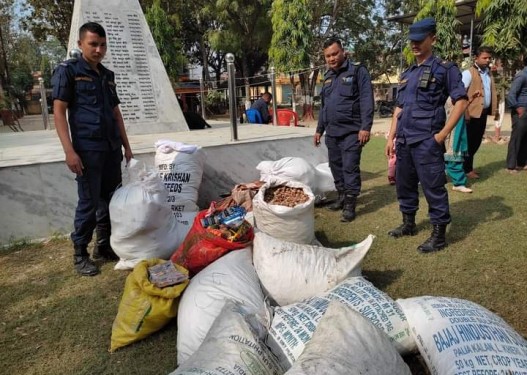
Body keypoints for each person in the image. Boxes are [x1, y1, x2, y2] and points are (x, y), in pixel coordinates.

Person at [52, 22, 133, 276]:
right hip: (87, 151)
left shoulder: (107, 76)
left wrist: (127, 148)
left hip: (111, 149)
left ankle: (103, 246)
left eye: (102, 45)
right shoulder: (69, 71)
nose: (98, 49)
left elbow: (116, 114)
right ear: (80, 44)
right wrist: (69, 151)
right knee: (88, 203)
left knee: (110, 201)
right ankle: (80, 254)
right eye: (93, 44)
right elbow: (59, 111)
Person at [385, 17, 468, 253]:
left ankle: (439, 235)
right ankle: (408, 224)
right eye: (412, 40)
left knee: (433, 187)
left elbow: (461, 102)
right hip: (404, 140)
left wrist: (441, 136)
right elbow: (399, 108)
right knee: (405, 185)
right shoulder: (408, 73)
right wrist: (391, 137)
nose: (415, 45)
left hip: (426, 140)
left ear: (433, 38)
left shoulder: (444, 68)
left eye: (420, 40)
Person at [314, 37, 374, 222]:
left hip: (351, 132)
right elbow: (325, 107)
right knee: (335, 166)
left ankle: (350, 204)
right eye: (328, 56)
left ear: (343, 52)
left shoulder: (358, 71)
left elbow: (366, 99)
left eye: (334, 54)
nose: (331, 58)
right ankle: (341, 196)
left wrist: (365, 127)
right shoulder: (327, 77)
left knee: (349, 168)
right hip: (332, 133)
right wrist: (319, 130)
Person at [462, 46, 497, 179]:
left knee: (476, 142)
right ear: (476, 58)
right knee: (469, 143)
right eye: (484, 58)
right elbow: (461, 94)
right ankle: (466, 169)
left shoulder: (488, 73)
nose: (487, 60)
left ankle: (468, 168)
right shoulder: (468, 73)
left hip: (482, 113)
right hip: (471, 114)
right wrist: (465, 113)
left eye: (489, 58)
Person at [505, 56, 527, 173]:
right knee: (517, 138)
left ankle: (522, 163)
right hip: (521, 110)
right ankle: (511, 166)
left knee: (525, 139)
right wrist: (518, 109)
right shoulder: (522, 76)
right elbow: (511, 94)